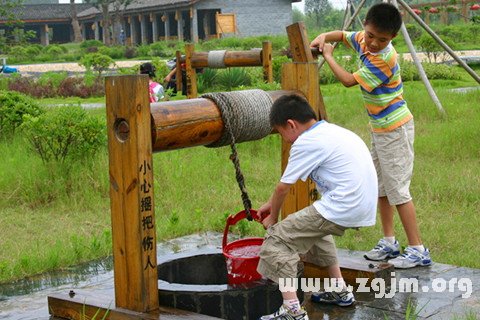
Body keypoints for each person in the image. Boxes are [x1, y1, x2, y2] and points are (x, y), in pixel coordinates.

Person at [310, 3, 432, 269]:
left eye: (382, 39)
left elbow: (348, 81)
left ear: (392, 39)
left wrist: (329, 55)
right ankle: (389, 241)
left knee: (398, 190)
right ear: (364, 25)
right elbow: (343, 35)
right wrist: (323, 38)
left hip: (395, 129)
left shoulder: (384, 58)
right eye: (371, 35)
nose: (374, 43)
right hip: (380, 128)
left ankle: (418, 249)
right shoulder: (363, 39)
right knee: (381, 187)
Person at [256, 94, 378, 319]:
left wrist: (273, 217)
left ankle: (291, 310)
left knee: (278, 239)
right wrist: (270, 204)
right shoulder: (333, 131)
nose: (286, 141)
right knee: (319, 231)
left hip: (344, 204)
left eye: (283, 134)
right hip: (362, 204)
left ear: (291, 124)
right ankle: (340, 291)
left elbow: (283, 188)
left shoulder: (306, 141)